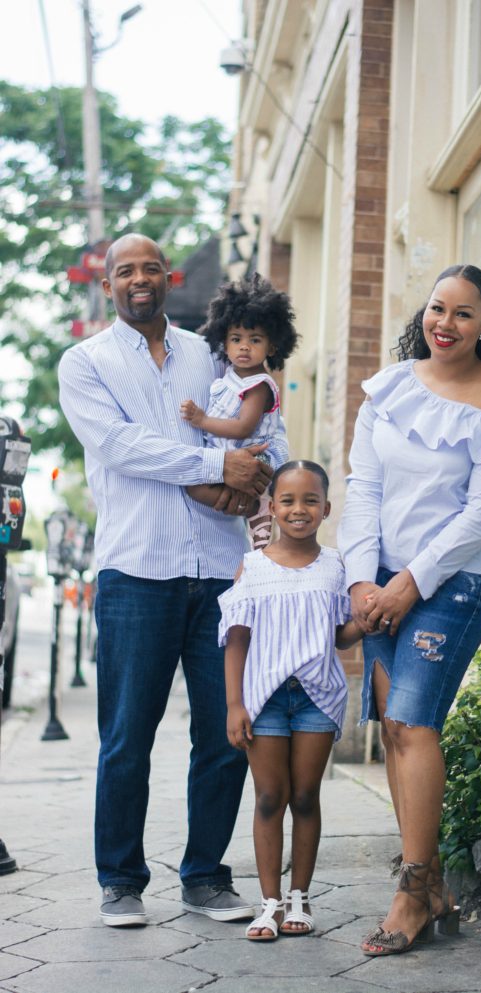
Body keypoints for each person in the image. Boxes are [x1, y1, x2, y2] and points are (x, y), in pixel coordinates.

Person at [58, 233, 289, 928]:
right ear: (107, 284)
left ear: (169, 277)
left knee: (226, 732)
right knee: (128, 733)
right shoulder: (85, 362)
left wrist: (259, 474)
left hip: (221, 570)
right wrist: (220, 469)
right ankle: (121, 880)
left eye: (149, 268)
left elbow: (249, 431)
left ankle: (205, 877)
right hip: (137, 569)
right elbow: (124, 448)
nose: (138, 279)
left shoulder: (207, 352)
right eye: (124, 270)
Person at [338, 264, 481, 956]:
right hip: (385, 582)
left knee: (409, 720)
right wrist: (363, 580)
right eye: (437, 309)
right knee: (394, 731)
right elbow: (362, 486)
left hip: (454, 585)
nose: (445, 324)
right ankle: (433, 889)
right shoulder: (390, 388)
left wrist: (407, 586)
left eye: (463, 313)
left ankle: (413, 888)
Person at [219, 460, 363, 941]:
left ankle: (300, 895)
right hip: (265, 700)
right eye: (287, 501)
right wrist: (234, 704)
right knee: (268, 797)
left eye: (309, 501)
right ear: (273, 508)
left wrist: (366, 617)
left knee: (304, 796)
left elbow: (341, 637)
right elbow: (236, 640)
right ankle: (269, 903)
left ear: (325, 509)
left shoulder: (337, 566)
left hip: (317, 698)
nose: (298, 509)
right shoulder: (253, 566)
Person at [180, 273, 298, 549]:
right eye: (236, 338)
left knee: (256, 514)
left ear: (272, 346)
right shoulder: (228, 377)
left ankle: (263, 541)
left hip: (258, 459)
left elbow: (244, 427)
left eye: (255, 340)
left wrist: (202, 420)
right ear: (224, 341)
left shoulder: (259, 386)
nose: (244, 346)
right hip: (231, 457)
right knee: (197, 489)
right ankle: (256, 529)